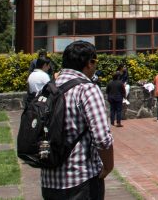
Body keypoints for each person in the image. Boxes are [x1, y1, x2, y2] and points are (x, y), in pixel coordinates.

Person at [40, 41, 114, 199]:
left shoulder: (49, 87)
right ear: (89, 63)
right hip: (81, 180)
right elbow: (102, 138)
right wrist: (108, 166)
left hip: (49, 179)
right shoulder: (87, 89)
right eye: (95, 62)